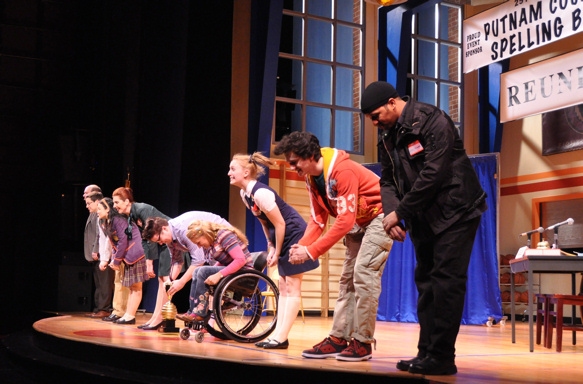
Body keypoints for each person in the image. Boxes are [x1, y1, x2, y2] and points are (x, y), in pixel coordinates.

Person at [361, 81, 487, 375]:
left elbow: (434, 173)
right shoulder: (389, 138)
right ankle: (426, 353)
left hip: (457, 210)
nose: (375, 123)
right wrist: (393, 212)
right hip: (425, 216)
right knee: (427, 283)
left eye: (377, 115)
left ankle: (442, 357)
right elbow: (388, 180)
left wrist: (401, 211)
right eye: (371, 119)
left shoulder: (432, 120)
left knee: (446, 282)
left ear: (393, 102)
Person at [273, 132, 393, 361]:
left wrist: (310, 251)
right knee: (347, 279)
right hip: (360, 220)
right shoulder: (310, 178)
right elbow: (318, 219)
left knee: (364, 274)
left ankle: (363, 342)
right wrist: (301, 245)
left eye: (294, 162)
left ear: (309, 156)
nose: (292, 168)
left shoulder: (342, 171)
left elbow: (344, 221)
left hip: (380, 217)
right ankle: (339, 338)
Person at [228, 152, 319, 349]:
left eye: (232, 169)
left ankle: (282, 337)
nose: (229, 173)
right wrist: (270, 246)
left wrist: (277, 252)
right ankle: (278, 335)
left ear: (246, 172)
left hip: (294, 233)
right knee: (284, 286)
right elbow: (264, 222)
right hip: (280, 235)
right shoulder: (245, 194)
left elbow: (280, 224)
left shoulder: (261, 192)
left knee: (292, 286)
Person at [141, 211, 231, 329]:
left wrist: (181, 282)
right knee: (198, 276)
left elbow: (199, 261)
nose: (160, 243)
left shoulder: (183, 230)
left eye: (159, 239)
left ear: (164, 229)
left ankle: (211, 323)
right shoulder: (170, 239)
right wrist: (171, 281)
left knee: (208, 276)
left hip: (221, 239)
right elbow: (177, 261)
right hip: (208, 247)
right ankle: (201, 319)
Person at [111, 187, 173, 328]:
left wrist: (149, 264)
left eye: (116, 202)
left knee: (164, 280)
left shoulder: (142, 209)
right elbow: (145, 240)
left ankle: (159, 318)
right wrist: (148, 262)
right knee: (161, 280)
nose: (114, 206)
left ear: (127, 201)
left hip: (170, 242)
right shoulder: (132, 215)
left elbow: (151, 237)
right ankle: (156, 318)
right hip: (162, 244)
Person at [175, 220, 253, 322]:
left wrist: (218, 274)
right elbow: (223, 261)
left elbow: (240, 260)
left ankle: (200, 312)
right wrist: (212, 273)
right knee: (197, 271)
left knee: (202, 271)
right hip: (233, 270)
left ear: (205, 234)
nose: (199, 246)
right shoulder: (211, 243)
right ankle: (192, 311)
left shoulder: (224, 235)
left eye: (198, 242)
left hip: (243, 271)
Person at [98, 197, 148, 324]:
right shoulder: (108, 222)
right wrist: (114, 259)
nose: (97, 211)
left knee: (136, 287)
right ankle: (127, 315)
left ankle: (130, 316)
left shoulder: (118, 220)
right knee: (132, 287)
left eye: (100, 209)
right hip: (128, 255)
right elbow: (114, 243)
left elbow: (123, 241)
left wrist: (116, 261)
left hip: (136, 253)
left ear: (107, 209)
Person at [82, 185, 112, 318]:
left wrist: (95, 250)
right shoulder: (92, 213)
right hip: (96, 255)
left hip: (101, 254)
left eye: (87, 194)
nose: (84, 197)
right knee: (99, 283)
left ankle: (104, 308)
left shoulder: (100, 214)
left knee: (105, 283)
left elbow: (100, 235)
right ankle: (98, 307)